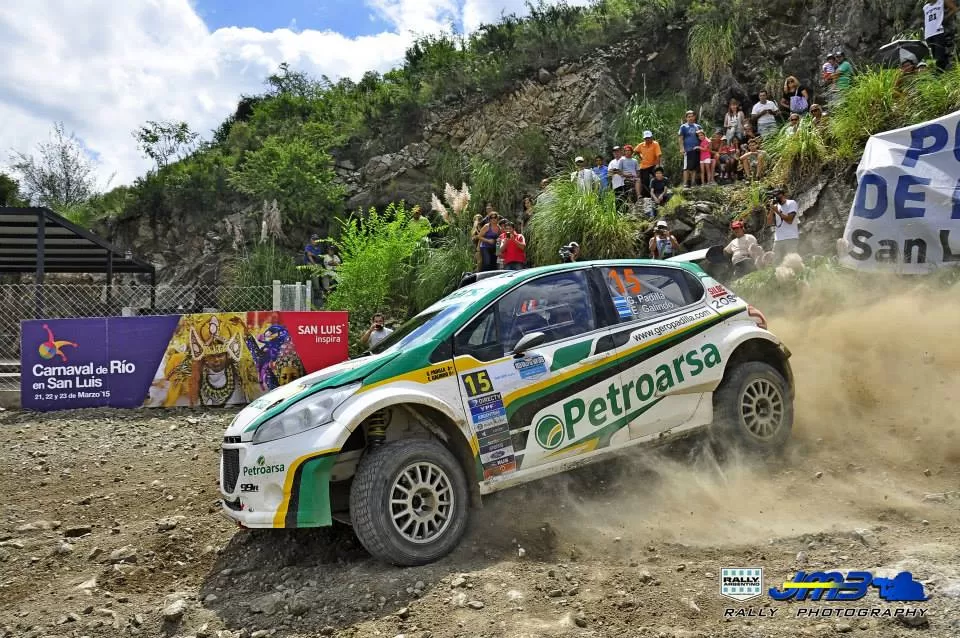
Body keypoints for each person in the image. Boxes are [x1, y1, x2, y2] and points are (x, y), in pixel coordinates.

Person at [767, 188, 801, 263]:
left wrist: (777, 212)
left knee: (792, 261)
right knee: (776, 262)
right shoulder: (776, 206)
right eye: (774, 196)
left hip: (791, 237)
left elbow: (789, 220)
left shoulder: (791, 203)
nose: (776, 197)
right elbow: (769, 222)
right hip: (778, 239)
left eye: (777, 195)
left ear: (783, 195)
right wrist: (771, 210)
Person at [924, 0, 957, 71]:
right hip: (928, 35)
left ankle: (942, 74)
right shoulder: (925, 7)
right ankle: (939, 75)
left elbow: (954, 8)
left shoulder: (941, 1)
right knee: (932, 59)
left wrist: (945, 18)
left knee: (940, 58)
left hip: (938, 32)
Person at [678, 110, 703, 188]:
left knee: (694, 167)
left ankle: (693, 182)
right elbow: (680, 138)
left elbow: (702, 137)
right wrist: (681, 148)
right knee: (686, 167)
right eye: (689, 117)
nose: (691, 118)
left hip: (696, 150)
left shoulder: (698, 126)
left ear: (694, 117)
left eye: (692, 116)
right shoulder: (683, 127)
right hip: (687, 150)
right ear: (686, 118)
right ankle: (685, 183)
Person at [636, 131, 662, 199]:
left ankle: (659, 191)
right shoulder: (641, 145)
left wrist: (658, 166)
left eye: (649, 138)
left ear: (651, 137)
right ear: (644, 138)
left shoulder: (655, 144)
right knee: (645, 181)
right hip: (644, 166)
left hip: (653, 165)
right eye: (646, 138)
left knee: (658, 177)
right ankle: (647, 195)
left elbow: (658, 155)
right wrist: (640, 156)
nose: (647, 139)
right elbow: (636, 151)